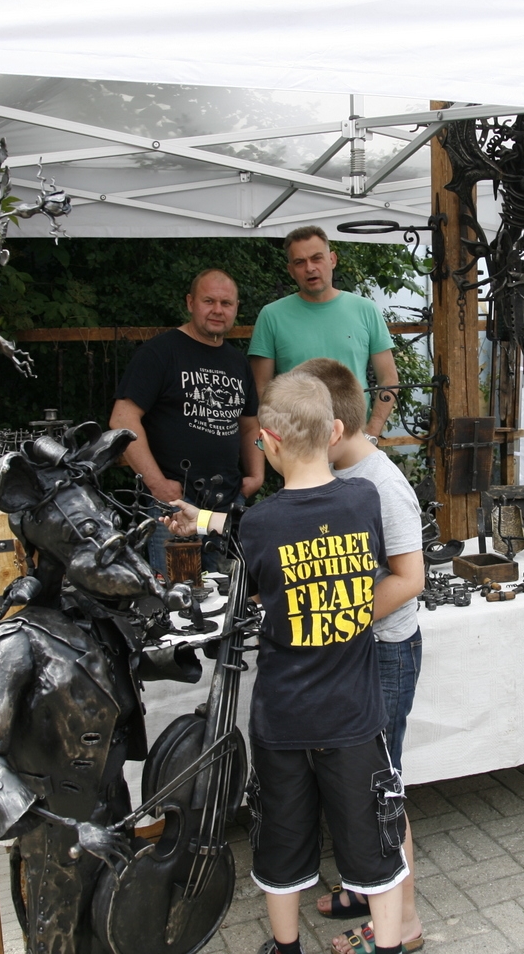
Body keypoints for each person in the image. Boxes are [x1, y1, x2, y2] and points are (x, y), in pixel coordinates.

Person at [164, 372, 422, 954]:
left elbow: (258, 550)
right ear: (334, 431)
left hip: (283, 723)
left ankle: (286, 949)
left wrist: (202, 523)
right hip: (355, 719)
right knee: (376, 844)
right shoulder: (365, 499)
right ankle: (388, 944)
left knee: (281, 842)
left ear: (269, 442)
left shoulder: (262, 522)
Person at [298, 358, 426, 954]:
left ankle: (403, 922)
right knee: (354, 781)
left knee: (380, 787)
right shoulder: (336, 476)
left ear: (331, 430)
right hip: (357, 653)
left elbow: (411, 578)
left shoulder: (381, 484)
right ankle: (363, 887)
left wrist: (337, 619)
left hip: (386, 654)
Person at [110, 269, 262, 573]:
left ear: (236, 308)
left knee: (233, 594)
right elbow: (122, 420)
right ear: (190, 302)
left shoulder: (236, 361)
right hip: (173, 505)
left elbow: (249, 423)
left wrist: (256, 476)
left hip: (228, 503)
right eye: (209, 301)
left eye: (226, 303)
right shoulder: (159, 353)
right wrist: (157, 485)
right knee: (178, 598)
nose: (218, 310)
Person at [249, 226, 399, 440]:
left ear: (332, 260)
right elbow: (261, 387)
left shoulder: (366, 310)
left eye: (316, 258)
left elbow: (389, 377)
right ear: (290, 270)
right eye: (300, 262)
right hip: (298, 444)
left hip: (355, 441)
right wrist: (280, 436)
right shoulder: (271, 316)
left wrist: (372, 434)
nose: (310, 268)